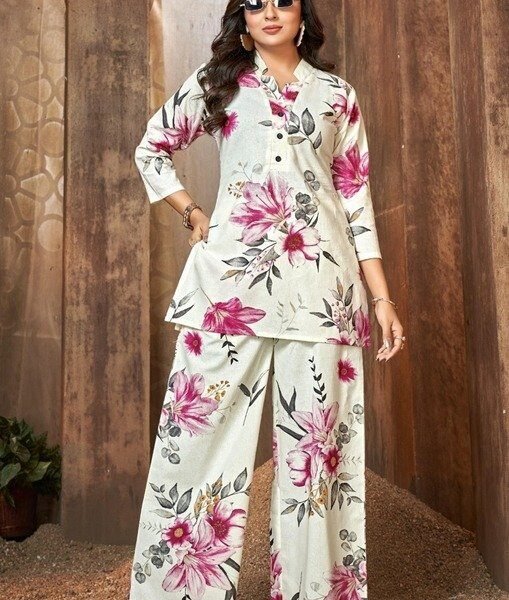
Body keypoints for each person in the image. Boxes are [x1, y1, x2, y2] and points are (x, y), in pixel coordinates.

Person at [129, 1, 405, 599]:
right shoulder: (219, 83)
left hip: (324, 294)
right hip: (229, 290)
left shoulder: (337, 96)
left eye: (283, 0)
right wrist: (192, 213)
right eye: (255, 3)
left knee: (318, 459)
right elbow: (152, 147)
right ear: (242, 16)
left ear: (304, 13)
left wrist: (381, 297)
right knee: (195, 443)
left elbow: (355, 198)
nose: (270, 12)